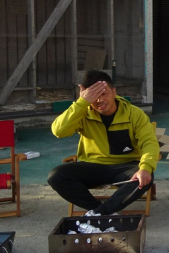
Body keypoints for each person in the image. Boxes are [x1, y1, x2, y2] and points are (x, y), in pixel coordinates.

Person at [48, 70, 160, 216]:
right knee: (56, 176)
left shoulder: (134, 113)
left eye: (104, 94)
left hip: (125, 166)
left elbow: (150, 143)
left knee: (143, 178)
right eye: (94, 96)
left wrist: (145, 168)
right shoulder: (82, 112)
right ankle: (100, 210)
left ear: (114, 92)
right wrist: (82, 103)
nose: (100, 100)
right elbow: (58, 131)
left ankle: (100, 213)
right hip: (92, 166)